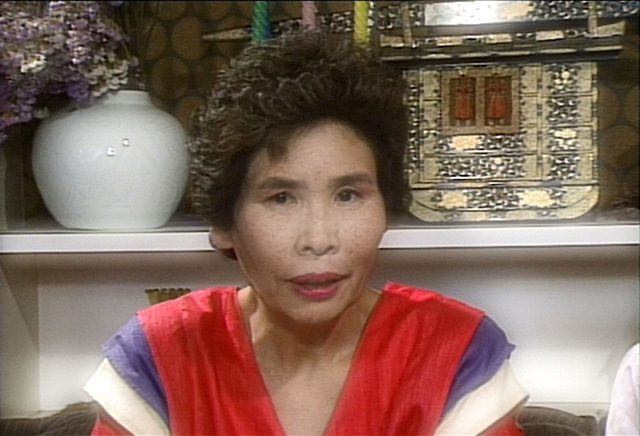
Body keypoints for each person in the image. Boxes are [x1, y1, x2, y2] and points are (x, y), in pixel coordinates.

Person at [84, 29, 528, 436]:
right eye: (281, 198)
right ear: (224, 224)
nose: (319, 240)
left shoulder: (455, 351)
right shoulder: (160, 355)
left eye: (348, 196)